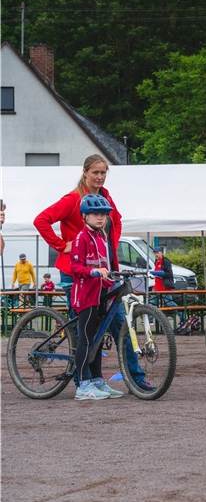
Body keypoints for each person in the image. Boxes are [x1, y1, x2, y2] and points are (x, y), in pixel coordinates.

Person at [33, 154, 154, 391]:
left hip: (102, 272)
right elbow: (42, 220)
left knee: (118, 323)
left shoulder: (105, 196)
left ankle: (135, 378)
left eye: (103, 173)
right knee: (84, 329)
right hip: (76, 273)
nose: (99, 177)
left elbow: (116, 221)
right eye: (95, 172)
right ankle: (83, 382)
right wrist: (61, 245)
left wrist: (110, 248)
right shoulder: (72, 199)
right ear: (85, 172)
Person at [69, 194, 121, 400]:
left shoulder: (102, 237)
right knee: (86, 339)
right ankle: (83, 384)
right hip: (85, 295)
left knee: (98, 340)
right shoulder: (81, 237)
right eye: (96, 214)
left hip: (101, 294)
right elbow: (75, 267)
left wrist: (112, 274)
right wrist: (92, 272)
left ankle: (97, 380)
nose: (101, 218)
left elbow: (105, 266)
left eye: (104, 214)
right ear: (85, 216)